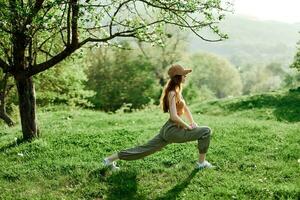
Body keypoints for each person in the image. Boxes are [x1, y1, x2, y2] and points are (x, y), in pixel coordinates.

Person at [103, 64, 213, 171]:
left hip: (168, 128)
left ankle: (108, 160)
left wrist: (193, 122)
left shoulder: (177, 90)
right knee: (206, 131)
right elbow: (174, 116)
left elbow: (185, 108)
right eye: (184, 75)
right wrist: (188, 127)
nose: (185, 76)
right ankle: (201, 163)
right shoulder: (172, 93)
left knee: (144, 149)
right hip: (173, 130)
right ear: (178, 77)